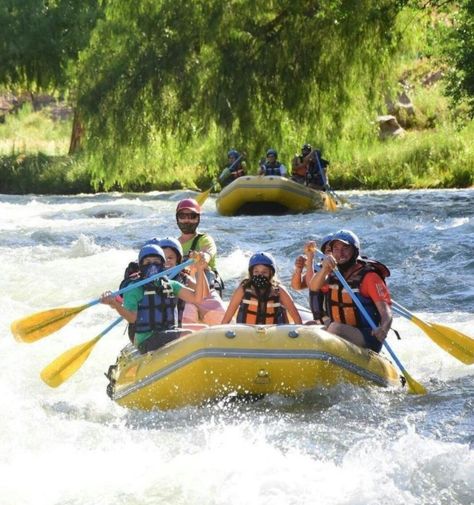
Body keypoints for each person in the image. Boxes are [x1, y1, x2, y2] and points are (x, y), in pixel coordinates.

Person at [100, 243, 209, 353]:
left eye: (156, 262)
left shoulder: (171, 285)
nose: (152, 266)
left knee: (197, 333)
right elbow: (132, 318)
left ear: (162, 265)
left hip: (167, 333)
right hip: (146, 340)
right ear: (141, 266)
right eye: (147, 263)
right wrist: (116, 305)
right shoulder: (134, 288)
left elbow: (197, 298)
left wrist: (200, 269)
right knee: (188, 334)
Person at [309, 230, 392, 352]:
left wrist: (383, 329)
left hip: (367, 336)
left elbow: (386, 312)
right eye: (336, 249)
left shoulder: (369, 277)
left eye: (345, 248)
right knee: (309, 328)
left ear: (355, 251)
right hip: (338, 331)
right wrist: (324, 269)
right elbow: (313, 287)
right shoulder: (332, 274)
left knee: (335, 328)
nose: (340, 253)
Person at [175, 198, 226, 324]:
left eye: (192, 216)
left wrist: (203, 257)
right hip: (185, 295)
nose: (187, 220)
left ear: (198, 219)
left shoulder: (204, 240)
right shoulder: (174, 246)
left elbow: (208, 252)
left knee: (220, 318)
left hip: (207, 293)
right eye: (183, 216)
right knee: (187, 312)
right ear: (177, 219)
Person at [221, 252, 302, 324]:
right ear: (251, 273)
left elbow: (296, 317)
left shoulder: (279, 290)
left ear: (271, 274)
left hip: (274, 334)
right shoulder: (243, 289)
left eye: (264, 272)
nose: (260, 275)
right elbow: (228, 316)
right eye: (256, 272)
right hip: (247, 334)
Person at [291, 234, 334, 324]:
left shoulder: (344, 272)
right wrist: (299, 269)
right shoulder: (319, 269)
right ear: (323, 254)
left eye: (335, 250)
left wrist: (310, 258)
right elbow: (296, 286)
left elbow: (312, 284)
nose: (331, 254)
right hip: (322, 321)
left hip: (335, 321)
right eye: (329, 251)